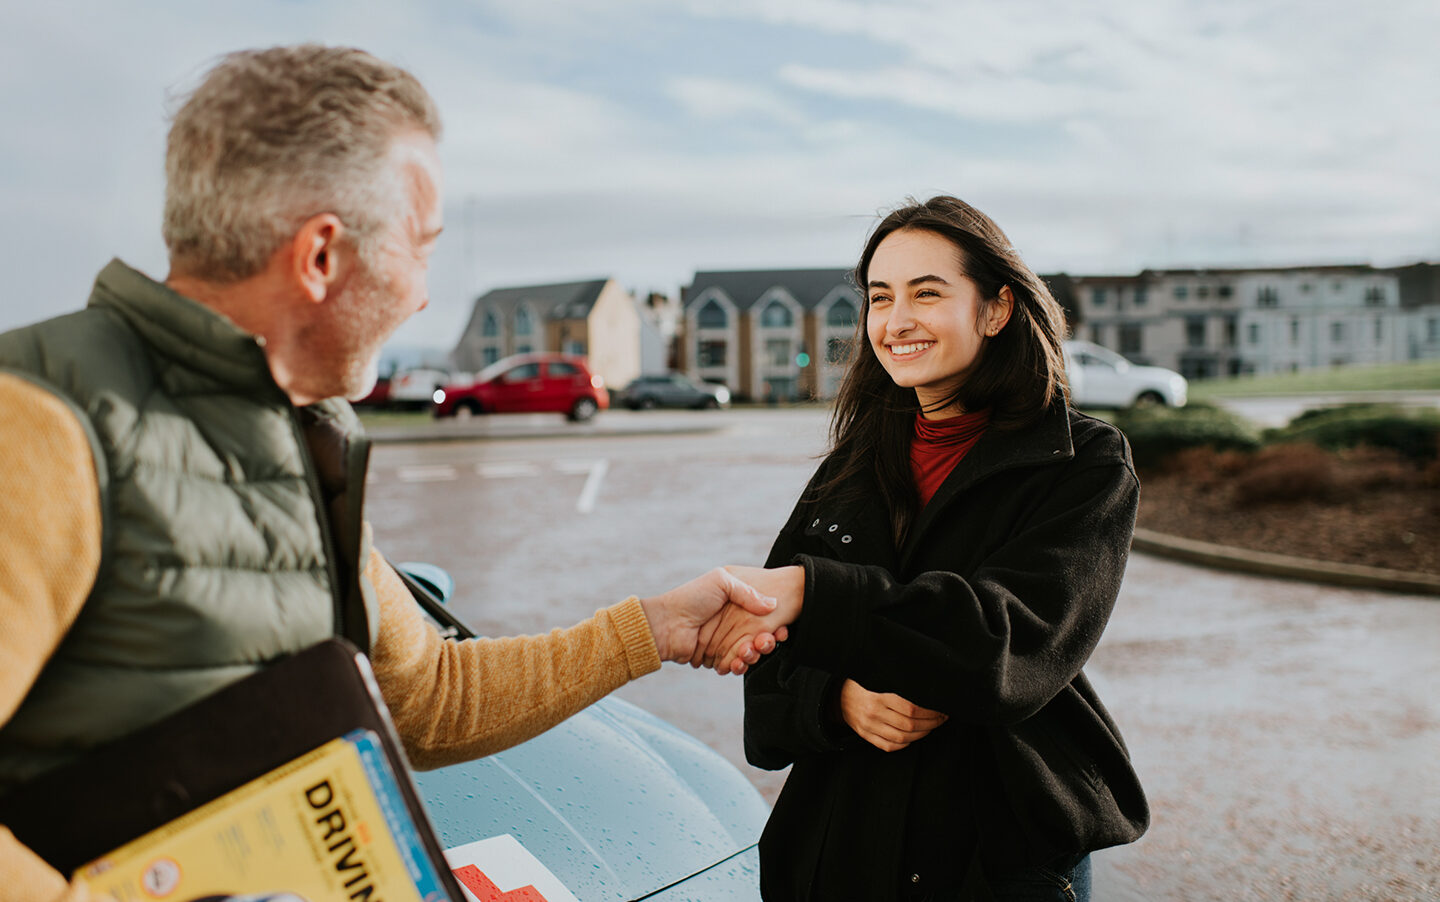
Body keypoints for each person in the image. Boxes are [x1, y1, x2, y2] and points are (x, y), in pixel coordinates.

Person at [0, 45, 793, 901]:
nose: (421, 296)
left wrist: (654, 628)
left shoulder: (303, 438)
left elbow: (429, 698)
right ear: (321, 257)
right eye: (420, 247)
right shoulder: (41, 423)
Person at [703, 197, 1149, 900]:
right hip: (843, 850)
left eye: (927, 293)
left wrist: (819, 595)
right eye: (881, 298)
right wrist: (839, 701)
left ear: (997, 309)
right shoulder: (852, 466)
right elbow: (769, 682)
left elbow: (1008, 649)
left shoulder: (1083, 462)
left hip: (996, 857)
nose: (896, 320)